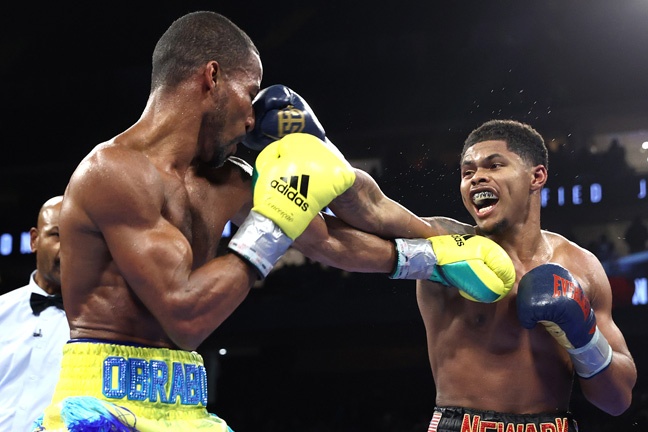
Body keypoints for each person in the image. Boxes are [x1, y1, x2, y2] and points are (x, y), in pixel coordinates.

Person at [35, 11, 514, 432]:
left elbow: (337, 230)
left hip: (187, 406)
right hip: (102, 403)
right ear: (212, 77)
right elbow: (184, 313)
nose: (252, 118)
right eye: (248, 93)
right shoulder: (112, 173)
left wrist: (442, 252)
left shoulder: (230, 179)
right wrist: (274, 218)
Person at [249, 107, 637, 431]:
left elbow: (617, 399)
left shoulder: (580, 266)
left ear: (537, 176)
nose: (476, 177)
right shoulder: (447, 243)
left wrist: (583, 336)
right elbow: (373, 206)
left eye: (494, 165)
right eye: (467, 171)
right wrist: (321, 153)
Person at [0, 195, 69, 432]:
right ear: (34, 240)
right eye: (57, 235)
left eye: (79, 237)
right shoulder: (2, 310)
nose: (69, 247)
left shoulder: (101, 323)